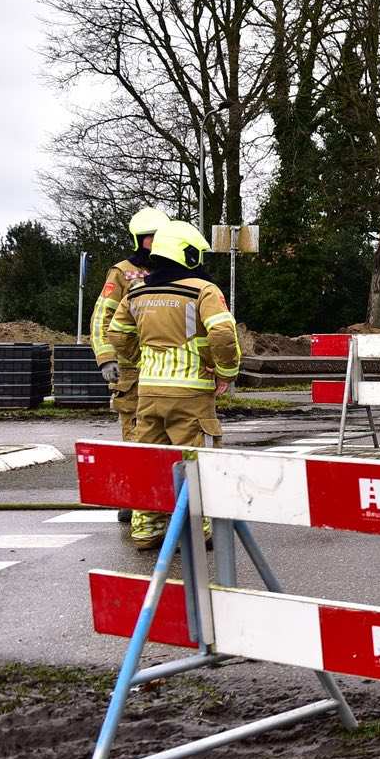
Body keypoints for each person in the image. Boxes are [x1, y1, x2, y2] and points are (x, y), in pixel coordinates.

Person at [107, 220, 241, 550]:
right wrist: (225, 371)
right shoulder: (203, 290)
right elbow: (223, 334)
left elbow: (117, 334)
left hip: (148, 391)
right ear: (189, 254)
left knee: (150, 460)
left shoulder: (137, 291)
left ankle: (146, 530)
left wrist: (141, 358)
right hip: (190, 394)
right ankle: (198, 530)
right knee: (195, 459)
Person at [90, 207, 167, 527]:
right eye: (149, 238)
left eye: (159, 237)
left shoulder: (169, 269)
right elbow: (101, 318)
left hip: (162, 367)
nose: (154, 243)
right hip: (131, 371)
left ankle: (158, 498)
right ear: (138, 240)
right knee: (135, 434)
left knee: (162, 435)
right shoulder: (122, 273)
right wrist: (106, 358)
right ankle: (135, 500)